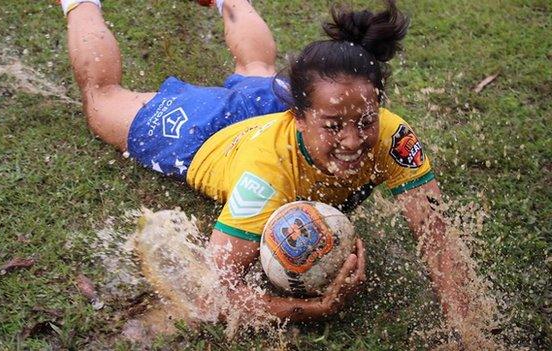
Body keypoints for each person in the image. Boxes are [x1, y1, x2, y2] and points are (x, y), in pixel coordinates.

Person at [59, 0, 471, 325]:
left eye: (365, 121)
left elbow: (436, 236)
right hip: (206, 133)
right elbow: (214, 289)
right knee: (102, 102)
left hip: (274, 108)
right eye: (333, 126)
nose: (352, 140)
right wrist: (317, 309)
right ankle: (80, 3)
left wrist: (466, 328)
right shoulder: (266, 176)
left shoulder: (393, 136)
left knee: (257, 69)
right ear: (297, 113)